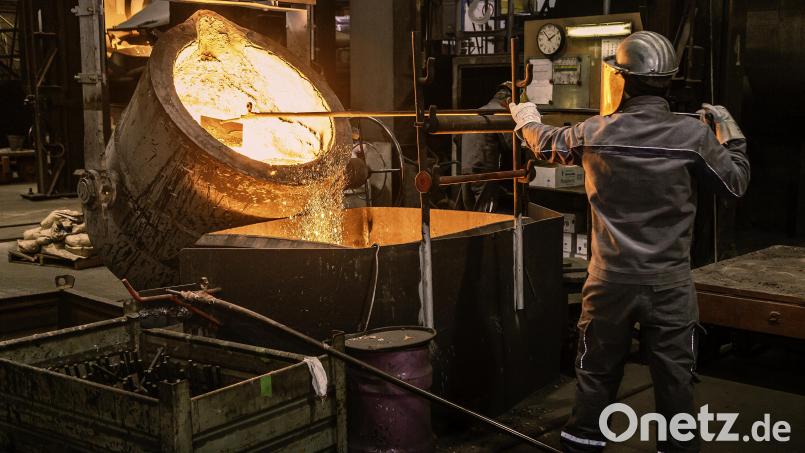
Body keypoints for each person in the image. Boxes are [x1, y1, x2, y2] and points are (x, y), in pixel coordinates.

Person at [509, 31, 750, 452]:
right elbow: (735, 184)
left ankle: (583, 443)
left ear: (622, 79)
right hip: (670, 285)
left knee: (596, 374)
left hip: (608, 284)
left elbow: (545, 144)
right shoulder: (692, 137)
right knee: (675, 380)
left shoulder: (595, 132)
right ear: (669, 82)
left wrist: (527, 119)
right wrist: (730, 132)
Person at [459, 82, 513, 211]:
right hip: (484, 172)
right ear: (509, 100)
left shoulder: (480, 111)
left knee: (469, 216)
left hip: (465, 169)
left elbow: (458, 139)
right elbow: (510, 145)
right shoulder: (500, 113)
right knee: (485, 215)